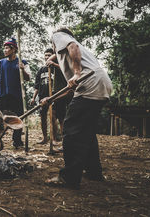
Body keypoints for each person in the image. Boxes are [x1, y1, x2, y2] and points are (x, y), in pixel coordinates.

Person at [42, 28, 112, 189]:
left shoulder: (60, 36)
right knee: (86, 131)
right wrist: (50, 100)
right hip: (100, 84)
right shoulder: (68, 56)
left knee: (71, 130)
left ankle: (69, 177)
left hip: (90, 83)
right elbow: (71, 92)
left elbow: (72, 46)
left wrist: (77, 72)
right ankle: (94, 172)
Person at [0, 38, 31, 148]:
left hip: (17, 95)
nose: (5, 50)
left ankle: (17, 141)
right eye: (5, 48)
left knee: (19, 117)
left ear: (14, 49)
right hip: (3, 95)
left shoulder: (22, 62)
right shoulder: (1, 63)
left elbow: (28, 78)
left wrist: (23, 70)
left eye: (7, 48)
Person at [30, 48, 68, 145]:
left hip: (54, 96)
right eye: (45, 55)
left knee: (53, 116)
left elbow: (66, 73)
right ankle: (45, 138)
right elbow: (37, 86)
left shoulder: (57, 68)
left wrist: (54, 65)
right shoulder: (41, 70)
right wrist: (34, 98)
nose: (47, 57)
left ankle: (54, 138)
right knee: (43, 117)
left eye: (49, 55)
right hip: (42, 96)